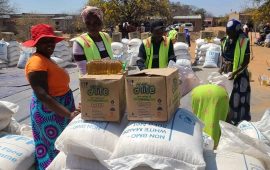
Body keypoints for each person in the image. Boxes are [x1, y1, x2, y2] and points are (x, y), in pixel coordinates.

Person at [23, 24, 79, 170]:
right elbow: (42, 95)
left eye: (51, 41)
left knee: (60, 147)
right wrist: (69, 114)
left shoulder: (46, 58)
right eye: (44, 41)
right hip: (49, 113)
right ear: (36, 43)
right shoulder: (36, 62)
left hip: (58, 110)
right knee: (53, 150)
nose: (49, 44)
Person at [220, 19, 251, 125]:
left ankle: (238, 121)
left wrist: (235, 73)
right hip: (227, 73)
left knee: (237, 99)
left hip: (239, 74)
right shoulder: (226, 40)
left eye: (231, 33)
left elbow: (246, 62)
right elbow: (223, 56)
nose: (229, 35)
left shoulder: (244, 40)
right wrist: (222, 67)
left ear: (237, 31)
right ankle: (225, 119)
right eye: (227, 32)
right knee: (224, 97)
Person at [73, 6, 113, 75]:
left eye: (96, 23)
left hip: (110, 78)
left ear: (101, 23)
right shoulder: (79, 43)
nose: (92, 27)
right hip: (92, 83)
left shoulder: (106, 36)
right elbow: (84, 72)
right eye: (88, 23)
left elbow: (110, 59)